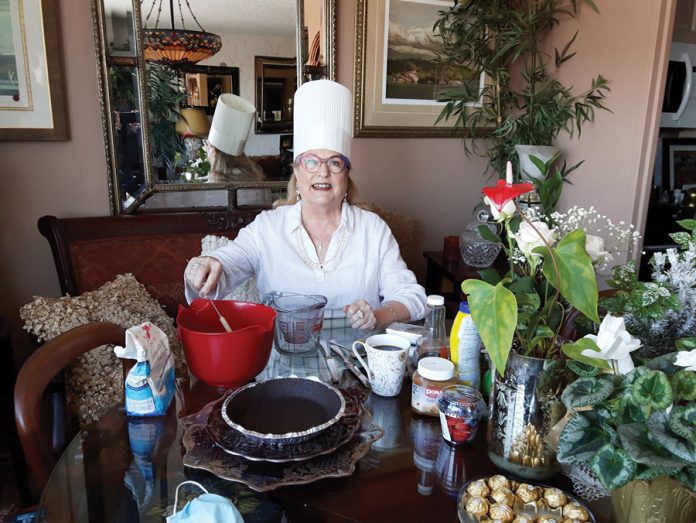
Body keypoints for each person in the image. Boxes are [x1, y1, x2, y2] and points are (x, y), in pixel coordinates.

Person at [184, 80, 426, 330]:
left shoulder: (372, 229)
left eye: (334, 163)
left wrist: (379, 316)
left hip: (358, 360)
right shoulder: (268, 227)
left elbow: (412, 297)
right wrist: (205, 264)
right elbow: (228, 263)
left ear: (346, 175)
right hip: (284, 358)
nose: (323, 172)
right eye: (311, 162)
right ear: (297, 173)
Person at [205, 93, 265, 183]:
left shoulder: (211, 186)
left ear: (214, 152)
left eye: (207, 147)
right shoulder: (258, 180)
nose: (206, 150)